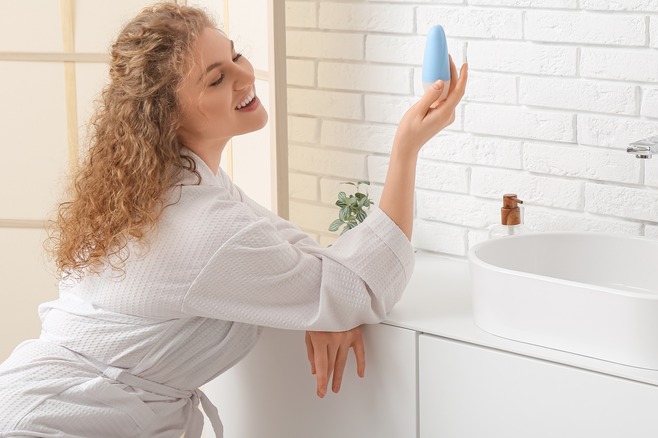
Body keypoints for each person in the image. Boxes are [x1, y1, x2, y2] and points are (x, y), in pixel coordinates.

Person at [0, 3, 467, 437]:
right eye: (217, 79)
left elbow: (289, 249)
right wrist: (407, 149)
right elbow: (358, 288)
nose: (245, 76)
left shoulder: (171, 187)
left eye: (236, 55)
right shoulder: (200, 226)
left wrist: (323, 300)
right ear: (167, 115)